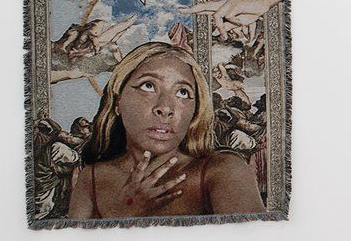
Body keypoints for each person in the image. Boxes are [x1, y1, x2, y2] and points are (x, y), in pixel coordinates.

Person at [66, 41, 264, 219]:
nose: (166, 108)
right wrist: (120, 215)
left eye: (182, 92)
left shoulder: (223, 171)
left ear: (195, 110)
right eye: (148, 86)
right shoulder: (91, 179)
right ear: (118, 102)